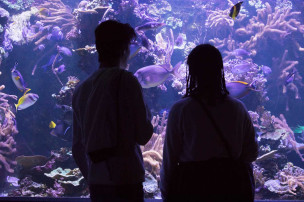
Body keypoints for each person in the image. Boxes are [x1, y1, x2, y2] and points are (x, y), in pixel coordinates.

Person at [160, 44, 258, 202]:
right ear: (220, 70)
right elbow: (251, 153)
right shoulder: (238, 108)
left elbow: (170, 159)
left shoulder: (181, 110)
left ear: (192, 72)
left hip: (192, 188)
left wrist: (166, 193)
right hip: (230, 188)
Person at [72, 20, 153, 202]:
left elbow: (77, 146)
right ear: (125, 49)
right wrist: (148, 114)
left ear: (99, 48)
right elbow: (143, 135)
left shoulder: (81, 88)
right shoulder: (126, 80)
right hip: (126, 181)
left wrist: (92, 178)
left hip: (97, 184)